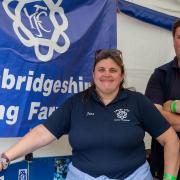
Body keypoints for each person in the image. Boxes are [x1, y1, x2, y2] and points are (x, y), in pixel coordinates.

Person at [0, 49, 179, 180]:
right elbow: (41, 133)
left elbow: (171, 139)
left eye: (113, 70)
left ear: (122, 75)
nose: (106, 74)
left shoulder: (138, 102)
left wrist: (169, 179)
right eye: (101, 69)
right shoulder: (76, 103)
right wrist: (5, 157)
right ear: (93, 75)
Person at [145, 19, 180, 180]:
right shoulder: (160, 75)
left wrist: (171, 106)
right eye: (179, 37)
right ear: (173, 40)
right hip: (165, 168)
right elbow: (153, 118)